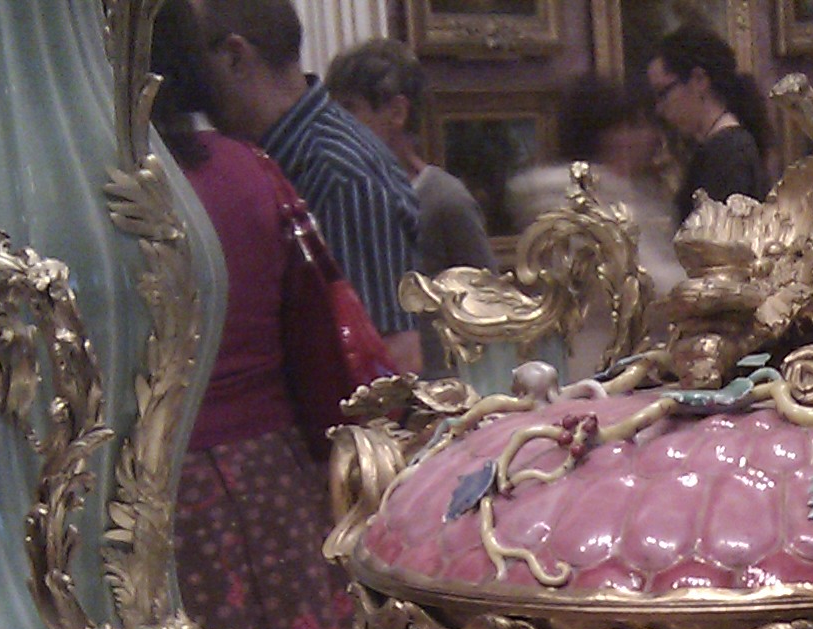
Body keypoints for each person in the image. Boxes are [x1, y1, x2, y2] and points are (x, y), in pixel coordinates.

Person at [152, 2, 351, 629]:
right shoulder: (250, 171)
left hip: (152, 497)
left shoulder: (83, 191)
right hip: (271, 476)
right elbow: (318, 341)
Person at [194, 0, 421, 373]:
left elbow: (391, 360)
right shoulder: (284, 156)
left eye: (196, 63)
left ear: (235, 57)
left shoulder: (339, 173)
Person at [323, 38, 492, 376]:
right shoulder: (344, 192)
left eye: (349, 109)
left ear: (397, 113)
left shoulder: (444, 199)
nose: (336, 125)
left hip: (439, 387)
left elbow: (489, 306)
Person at [506, 77, 682, 377]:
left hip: (644, 359)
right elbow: (635, 283)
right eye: (633, 126)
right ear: (606, 135)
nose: (647, 136)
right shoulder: (564, 197)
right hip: (593, 362)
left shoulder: (642, 194)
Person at [641, 23, 769, 227]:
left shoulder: (728, 152)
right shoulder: (721, 147)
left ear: (699, 80)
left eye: (663, 93)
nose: (659, 108)